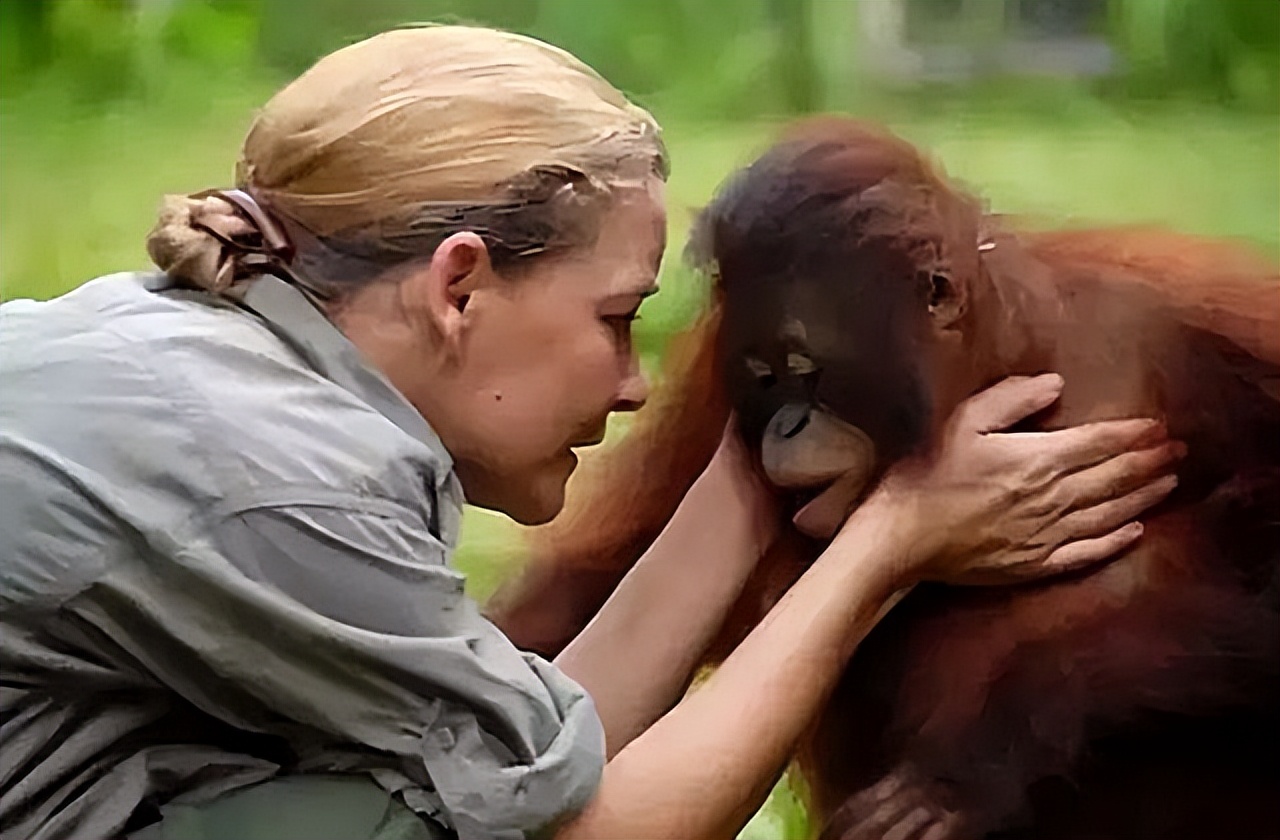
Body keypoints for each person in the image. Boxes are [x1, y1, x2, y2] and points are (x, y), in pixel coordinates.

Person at [0, 24, 1183, 840]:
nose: (634, 388)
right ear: (458, 287)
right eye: (618, 320)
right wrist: (891, 542)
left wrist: (773, 410)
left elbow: (531, 757)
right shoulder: (275, 483)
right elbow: (590, 828)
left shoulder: (203, 362)